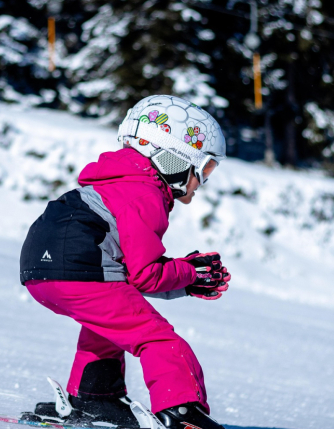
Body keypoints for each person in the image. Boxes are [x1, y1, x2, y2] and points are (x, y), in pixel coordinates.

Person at [19, 95, 231, 429]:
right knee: (158, 339)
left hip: (41, 269)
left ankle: (96, 399)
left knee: (108, 325)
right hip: (78, 268)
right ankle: (181, 413)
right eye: (204, 169)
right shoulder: (144, 193)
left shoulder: (117, 185)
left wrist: (184, 279)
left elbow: (129, 277)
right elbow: (146, 276)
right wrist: (189, 272)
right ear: (174, 158)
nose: (202, 182)